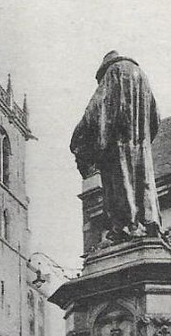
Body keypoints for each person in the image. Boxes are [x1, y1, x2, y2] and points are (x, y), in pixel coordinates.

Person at [70, 51, 163, 243]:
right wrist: (142, 140)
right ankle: (149, 222)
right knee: (143, 183)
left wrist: (78, 139)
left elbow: (93, 112)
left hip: (117, 147)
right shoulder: (141, 76)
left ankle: (127, 226)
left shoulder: (112, 74)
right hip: (140, 147)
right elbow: (156, 118)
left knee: (122, 183)